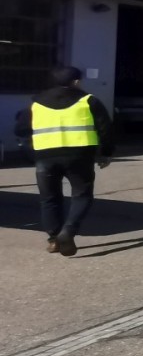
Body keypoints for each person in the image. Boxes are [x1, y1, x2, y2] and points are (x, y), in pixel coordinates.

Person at [30, 65, 115, 257]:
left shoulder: (36, 103)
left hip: (45, 158)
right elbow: (106, 129)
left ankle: (53, 240)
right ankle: (68, 231)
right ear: (75, 82)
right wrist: (105, 153)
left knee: (49, 199)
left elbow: (22, 128)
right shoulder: (88, 101)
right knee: (82, 195)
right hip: (79, 157)